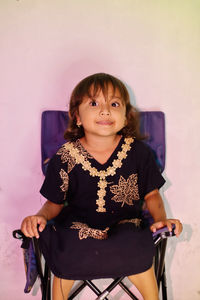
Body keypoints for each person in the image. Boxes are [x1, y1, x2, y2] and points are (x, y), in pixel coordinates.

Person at [21, 73, 182, 300]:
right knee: (65, 245)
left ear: (126, 117)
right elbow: (54, 203)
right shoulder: (65, 157)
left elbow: (152, 195)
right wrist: (39, 217)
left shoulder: (138, 153)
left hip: (126, 227)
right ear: (77, 116)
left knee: (136, 241)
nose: (105, 110)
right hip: (77, 230)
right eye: (94, 103)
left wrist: (160, 220)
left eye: (114, 104)